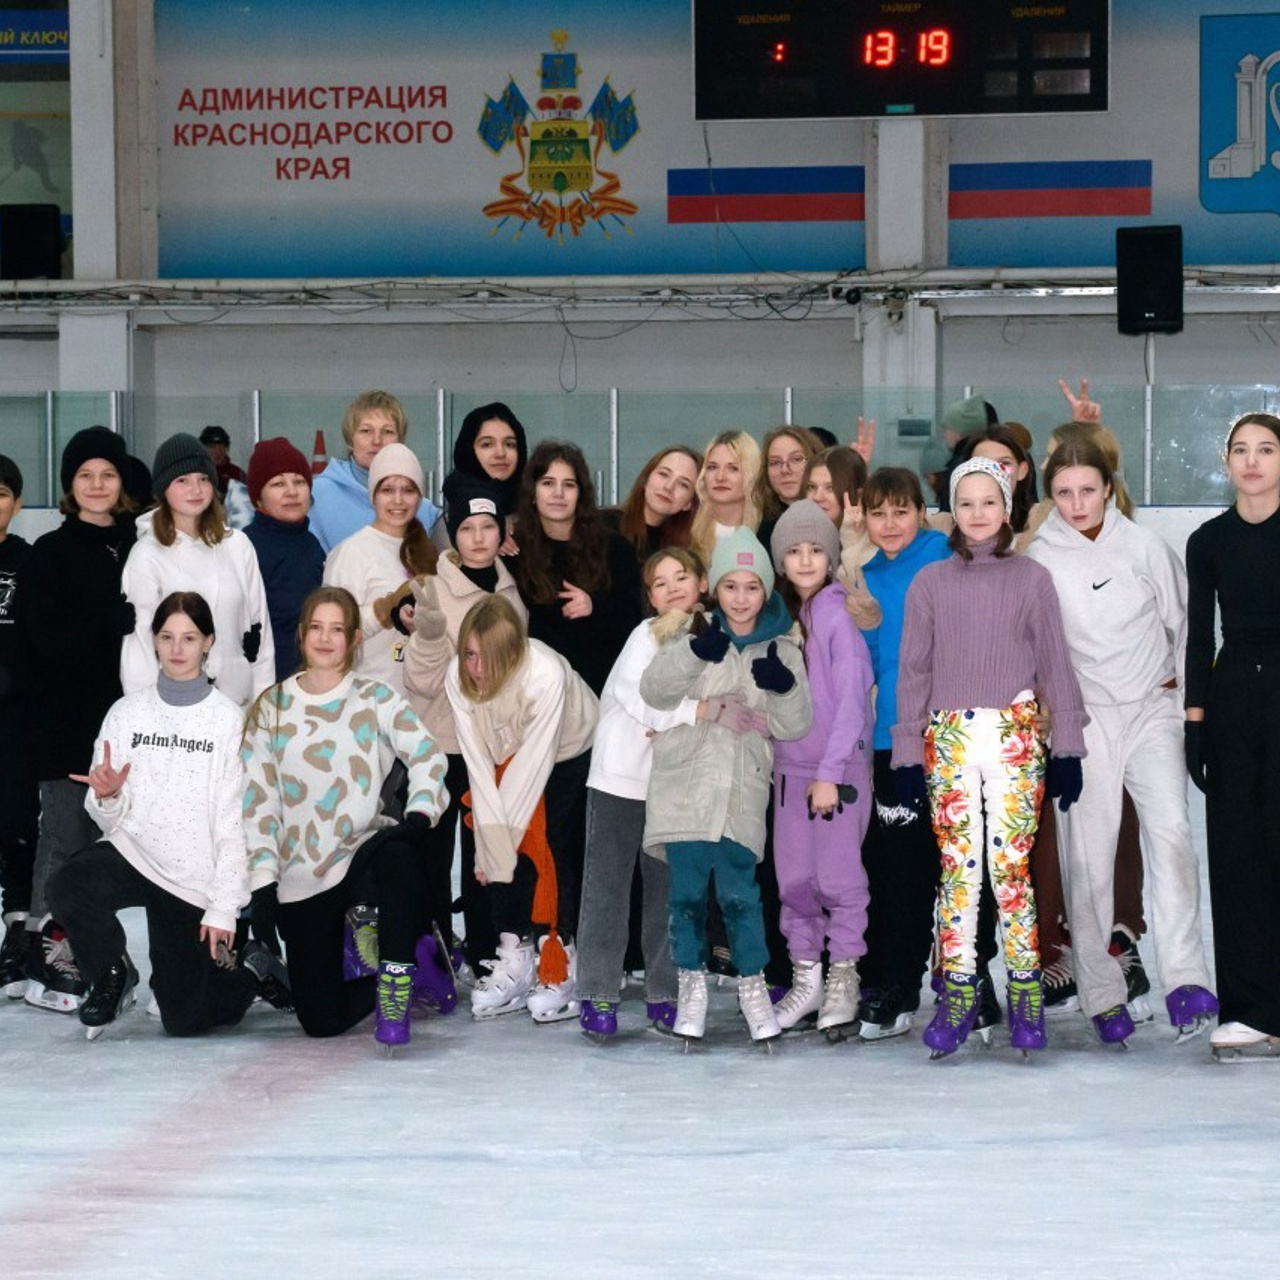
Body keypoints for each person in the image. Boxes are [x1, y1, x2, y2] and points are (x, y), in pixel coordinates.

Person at [892, 457, 1087, 1058]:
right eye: (967, 503)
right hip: (949, 737)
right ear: (953, 511)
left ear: (1008, 508)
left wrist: (1069, 744)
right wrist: (905, 750)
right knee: (959, 874)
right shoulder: (930, 583)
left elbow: (1055, 661)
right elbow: (914, 669)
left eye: (990, 502)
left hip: (1015, 736)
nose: (979, 514)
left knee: (1010, 874)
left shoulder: (1031, 579)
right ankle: (958, 995)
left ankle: (1026, 998)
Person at [1027, 438, 1216, 1046]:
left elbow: (1186, 625)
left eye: (1088, 489)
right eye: (1064, 492)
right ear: (1049, 497)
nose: (1078, 502)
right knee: (1086, 859)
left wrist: (1189, 708)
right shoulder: (1039, 561)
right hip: (1083, 722)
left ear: (1108, 488)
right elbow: (1033, 648)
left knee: (1173, 839)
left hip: (1151, 710)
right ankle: (1102, 994)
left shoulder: (1143, 547)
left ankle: (1186, 981)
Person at [49, 592, 291, 1039]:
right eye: (167, 637)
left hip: (191, 879)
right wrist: (107, 797)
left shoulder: (228, 721)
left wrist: (223, 907)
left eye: (189, 637)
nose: (177, 648)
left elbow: (233, 822)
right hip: (134, 853)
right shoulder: (126, 713)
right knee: (67, 885)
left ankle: (251, 973)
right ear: (154, 642)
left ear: (208, 643)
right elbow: (105, 818)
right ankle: (112, 974)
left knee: (184, 1019)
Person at [242, 587, 451, 1048]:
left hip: (361, 849)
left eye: (337, 629)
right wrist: (262, 881)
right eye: (316, 627)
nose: (325, 638)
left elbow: (428, 755)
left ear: (355, 639)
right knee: (320, 1019)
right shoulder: (270, 709)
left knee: (398, 852)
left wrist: (420, 810)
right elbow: (257, 800)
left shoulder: (376, 698)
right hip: (302, 872)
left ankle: (397, 978)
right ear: (300, 636)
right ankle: (413, 967)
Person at [640, 527, 813, 1045]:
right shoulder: (689, 631)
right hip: (687, 790)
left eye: (752, 587)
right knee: (687, 897)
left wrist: (780, 689)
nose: (741, 598)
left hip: (741, 791)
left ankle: (753, 986)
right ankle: (691, 984)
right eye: (731, 586)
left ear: (767, 589)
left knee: (741, 895)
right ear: (715, 588)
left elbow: (795, 723)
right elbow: (654, 689)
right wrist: (697, 652)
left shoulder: (784, 645)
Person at [21, 427, 138, 1012]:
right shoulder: (50, 552)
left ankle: (127, 956)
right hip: (70, 726)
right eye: (86, 475)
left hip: (135, 725)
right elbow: (44, 642)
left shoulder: (141, 543)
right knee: (66, 838)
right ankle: (46, 948)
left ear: (122, 484)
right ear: (70, 485)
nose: (97, 485)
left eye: (108, 475)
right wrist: (105, 624)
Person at [576, 548, 712, 1039]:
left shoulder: (713, 636)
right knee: (607, 887)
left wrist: (688, 723)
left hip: (673, 785)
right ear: (650, 596)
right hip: (619, 779)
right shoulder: (645, 635)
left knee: (669, 892)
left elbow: (722, 702)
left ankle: (666, 992)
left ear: (701, 582)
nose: (673, 587)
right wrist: (685, 716)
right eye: (660, 582)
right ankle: (596, 991)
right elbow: (641, 697)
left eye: (682, 576)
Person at [444, 596, 598, 1022]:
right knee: (494, 834)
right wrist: (489, 848)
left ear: (513, 653)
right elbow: (477, 766)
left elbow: (530, 771)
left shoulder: (543, 675)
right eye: (469, 654)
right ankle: (516, 953)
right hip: (503, 751)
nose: (476, 669)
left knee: (550, 846)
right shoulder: (456, 680)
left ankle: (560, 955)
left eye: (488, 658)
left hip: (568, 748)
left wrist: (496, 850)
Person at [402, 472, 527, 972]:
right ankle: (433, 948)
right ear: (452, 533)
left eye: (488, 527)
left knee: (487, 852)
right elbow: (420, 680)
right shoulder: (434, 590)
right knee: (434, 854)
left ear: (502, 533)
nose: (478, 538)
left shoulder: (514, 592)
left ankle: (485, 950)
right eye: (467, 527)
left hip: (493, 749)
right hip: (442, 743)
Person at [1185, 412, 1280, 1058]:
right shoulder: (1208, 540)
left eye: (1267, 449)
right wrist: (1195, 723)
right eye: (1241, 450)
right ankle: (1250, 1007)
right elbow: (1198, 636)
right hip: (1233, 702)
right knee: (1237, 854)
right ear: (1226, 463)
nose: (1253, 461)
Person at [768, 501, 874, 1037]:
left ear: (831, 557)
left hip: (837, 774)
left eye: (816, 550)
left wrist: (831, 771)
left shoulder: (837, 614)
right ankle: (805, 977)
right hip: (790, 771)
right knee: (795, 881)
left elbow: (853, 702)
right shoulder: (787, 619)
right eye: (794, 551)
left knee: (839, 879)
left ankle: (844, 976)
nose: (806, 560)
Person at [855, 467, 952, 1040]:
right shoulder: (864, 577)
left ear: (921, 511)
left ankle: (967, 981)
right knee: (901, 869)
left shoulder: (944, 555)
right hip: (894, 741)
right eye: (878, 513)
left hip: (955, 735)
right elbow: (868, 659)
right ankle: (898, 982)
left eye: (901, 511)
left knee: (964, 872)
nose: (890, 524)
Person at [122, 433, 275, 709]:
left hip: (236, 705)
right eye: (182, 480)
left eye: (203, 479)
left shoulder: (237, 545)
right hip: (172, 710)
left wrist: (262, 707)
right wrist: (144, 717)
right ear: (163, 489)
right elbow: (140, 647)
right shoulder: (146, 555)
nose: (196, 489)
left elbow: (260, 633)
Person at [512, 439, 644, 697]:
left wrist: (595, 607)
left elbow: (634, 621)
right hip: (538, 691)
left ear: (581, 494)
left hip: (604, 691)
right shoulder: (515, 551)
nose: (558, 493)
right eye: (548, 483)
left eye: (569, 485)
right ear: (533, 493)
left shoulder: (614, 548)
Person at [323, 442, 437, 696]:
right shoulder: (350, 553)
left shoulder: (427, 551)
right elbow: (332, 632)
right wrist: (385, 609)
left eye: (408, 490)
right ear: (372, 495)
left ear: (420, 496)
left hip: (422, 705)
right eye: (387, 490)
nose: (398, 500)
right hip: (367, 701)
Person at [308, 391, 441, 553]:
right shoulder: (317, 496)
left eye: (388, 431)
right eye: (366, 431)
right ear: (350, 439)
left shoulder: (424, 510)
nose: (377, 441)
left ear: (401, 440)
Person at [242, 437, 325, 682]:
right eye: (278, 483)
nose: (292, 491)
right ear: (258, 498)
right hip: (265, 687)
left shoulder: (311, 544)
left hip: (312, 683)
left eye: (299, 481)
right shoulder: (245, 547)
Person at [0, 454, 36, 992]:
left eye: (2, 492)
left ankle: (18, 932)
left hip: (13, 715)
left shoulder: (29, 561)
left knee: (15, 823)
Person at [447, 402, 528, 551]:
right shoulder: (451, 515)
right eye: (487, 444)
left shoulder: (534, 504)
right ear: (469, 450)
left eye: (509, 444)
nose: (500, 453)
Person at [605, 445, 702, 562]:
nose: (668, 487)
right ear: (646, 479)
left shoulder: (685, 551)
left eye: (683, 484)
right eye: (664, 474)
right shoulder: (601, 525)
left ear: (689, 503)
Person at [688, 431, 763, 568]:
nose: (720, 477)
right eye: (712, 467)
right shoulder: (684, 532)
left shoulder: (766, 534)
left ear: (752, 474)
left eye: (733, 468)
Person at [755, 426, 823, 548]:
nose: (785, 470)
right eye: (775, 462)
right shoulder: (766, 529)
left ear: (816, 462)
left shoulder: (831, 516)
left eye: (796, 459)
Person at [199, 425, 244, 497]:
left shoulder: (237, 474)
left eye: (221, 447)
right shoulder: (196, 473)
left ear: (227, 448)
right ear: (203, 449)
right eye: (212, 447)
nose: (217, 451)